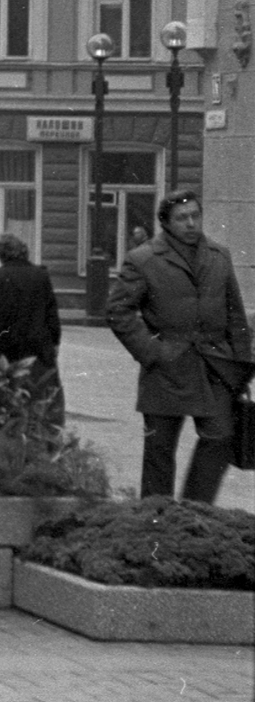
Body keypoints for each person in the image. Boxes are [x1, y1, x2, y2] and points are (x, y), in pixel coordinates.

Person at [107, 191, 253, 503]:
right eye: (182, 218)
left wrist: (242, 368)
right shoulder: (144, 259)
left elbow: (236, 315)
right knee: (160, 451)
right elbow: (118, 310)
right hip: (167, 368)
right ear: (166, 223)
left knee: (221, 437)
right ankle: (157, 522)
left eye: (195, 216)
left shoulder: (219, 255)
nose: (190, 223)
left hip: (216, 366)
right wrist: (150, 351)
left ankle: (195, 512)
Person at [0, 232, 66, 421]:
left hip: (7, 342)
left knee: (8, 390)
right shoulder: (41, 274)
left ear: (1, 254)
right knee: (42, 390)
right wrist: (55, 341)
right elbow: (51, 311)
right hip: (39, 341)